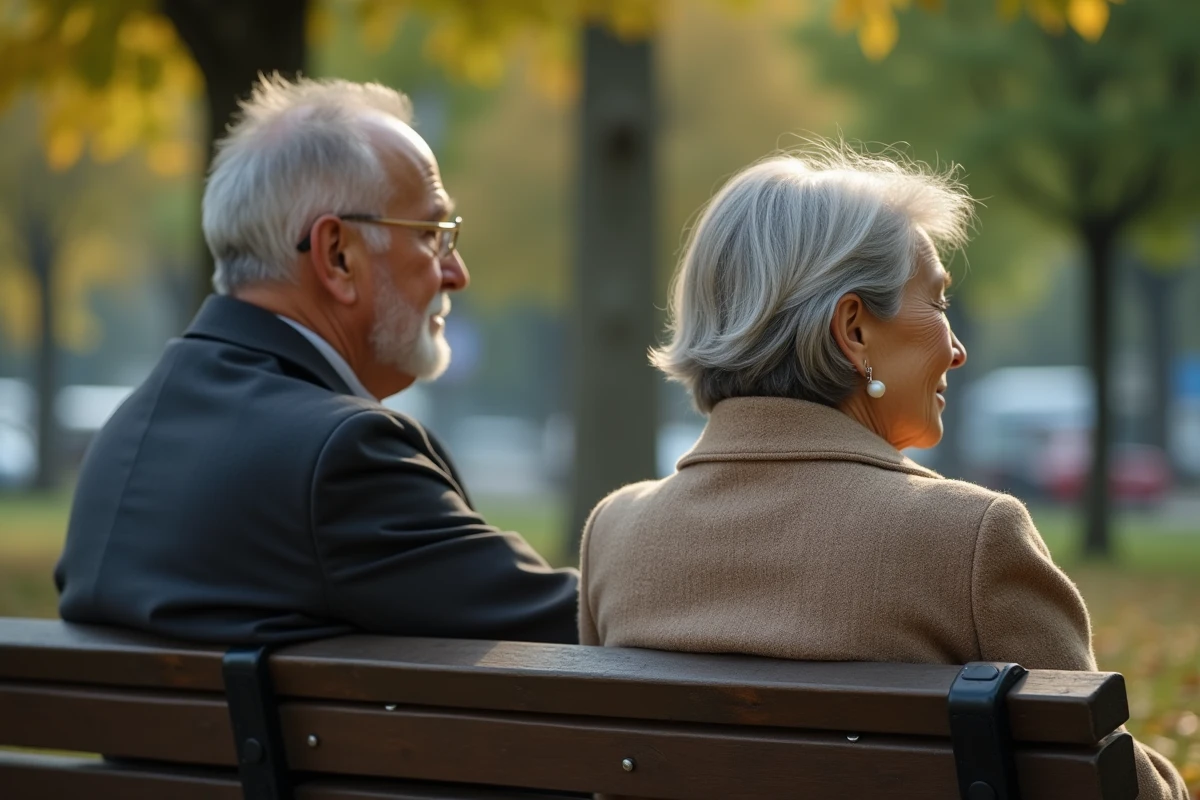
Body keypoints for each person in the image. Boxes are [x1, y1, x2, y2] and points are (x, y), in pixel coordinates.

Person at [578, 143, 1187, 798]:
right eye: (940, 303)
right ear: (855, 331)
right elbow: (1111, 788)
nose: (957, 350)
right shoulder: (971, 540)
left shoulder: (615, 534)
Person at [55, 74, 578, 645]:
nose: (456, 273)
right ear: (337, 256)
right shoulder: (342, 459)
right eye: (432, 233)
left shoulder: (123, 442)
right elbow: (569, 623)